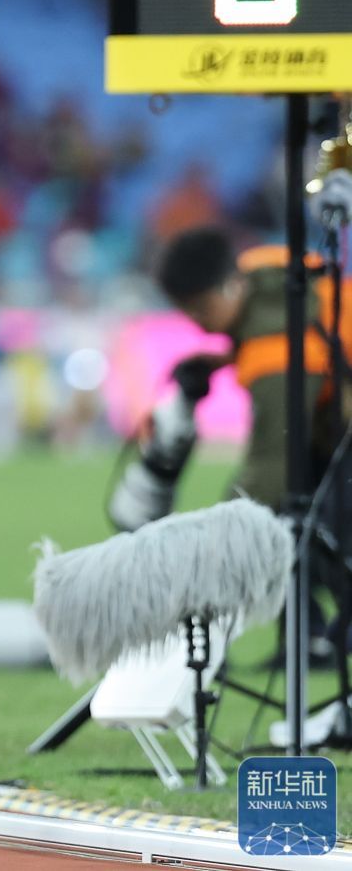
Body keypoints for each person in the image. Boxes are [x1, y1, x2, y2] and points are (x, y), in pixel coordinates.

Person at [111, 225, 352, 664]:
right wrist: (224, 360)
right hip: (334, 427)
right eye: (188, 312)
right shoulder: (265, 273)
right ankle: (310, 640)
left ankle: (317, 637)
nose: (199, 323)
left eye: (202, 309)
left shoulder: (275, 350)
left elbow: (273, 468)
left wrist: (212, 541)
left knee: (293, 519)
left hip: (338, 436)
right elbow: (316, 336)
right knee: (296, 516)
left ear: (228, 287)